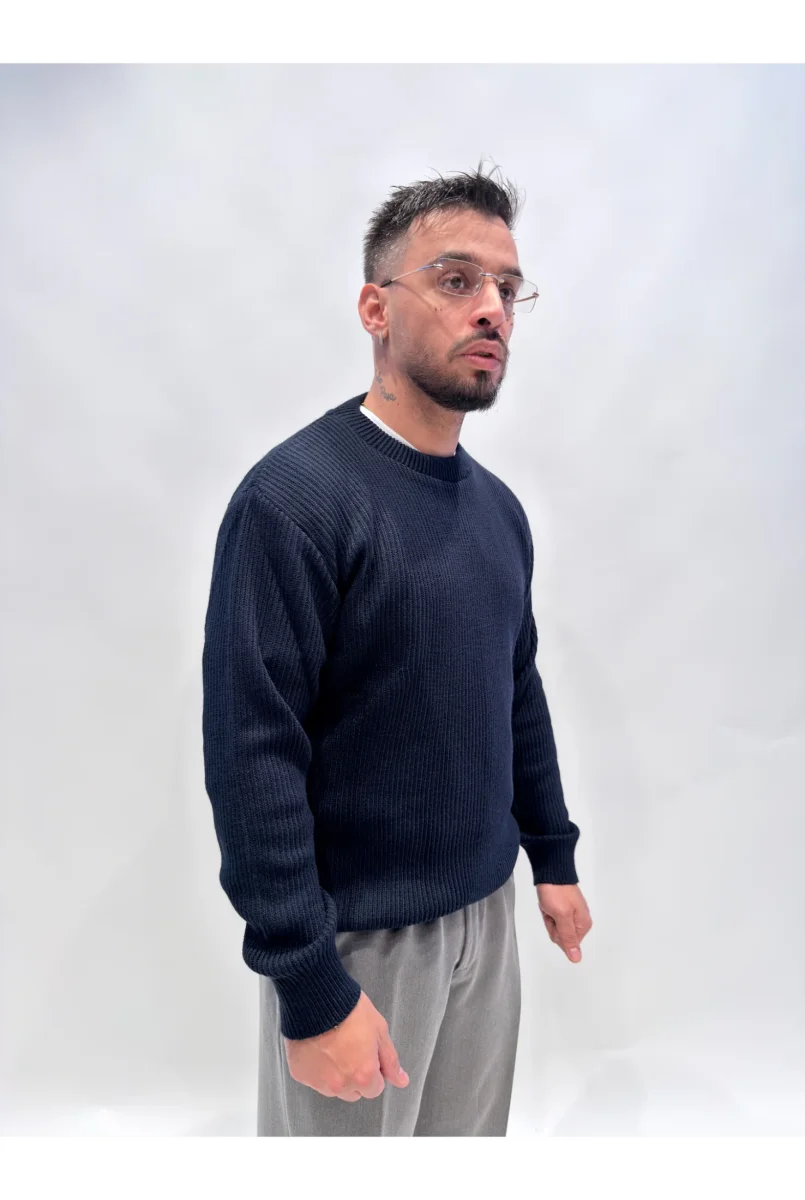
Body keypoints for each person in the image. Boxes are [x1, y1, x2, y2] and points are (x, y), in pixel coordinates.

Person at [201, 161, 593, 1137]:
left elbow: (512, 689)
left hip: (486, 920)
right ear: (375, 307)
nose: (491, 308)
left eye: (507, 287)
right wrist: (308, 984)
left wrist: (550, 854)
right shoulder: (295, 501)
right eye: (456, 279)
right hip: (357, 942)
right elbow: (252, 750)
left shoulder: (497, 512)